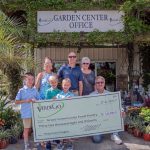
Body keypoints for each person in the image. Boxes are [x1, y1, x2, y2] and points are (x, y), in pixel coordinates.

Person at [90, 76, 123, 145]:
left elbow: (117, 106)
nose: (100, 84)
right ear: (95, 84)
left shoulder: (110, 94)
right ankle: (100, 132)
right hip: (97, 120)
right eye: (98, 82)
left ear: (104, 84)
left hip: (108, 118)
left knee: (119, 113)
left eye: (101, 82)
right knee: (97, 139)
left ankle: (114, 134)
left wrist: (122, 111)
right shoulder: (91, 95)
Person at [15, 72, 40, 150]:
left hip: (35, 114)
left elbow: (39, 100)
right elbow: (16, 102)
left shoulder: (35, 90)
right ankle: (26, 144)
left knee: (36, 128)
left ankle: (37, 143)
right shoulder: (21, 90)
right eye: (29, 79)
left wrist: (36, 100)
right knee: (26, 129)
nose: (30, 81)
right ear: (25, 80)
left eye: (32, 79)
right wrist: (26, 101)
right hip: (26, 113)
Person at [55, 78, 75, 150]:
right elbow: (56, 106)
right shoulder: (58, 95)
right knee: (61, 129)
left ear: (70, 85)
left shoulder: (72, 95)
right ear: (62, 85)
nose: (65, 86)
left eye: (67, 85)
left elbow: (75, 105)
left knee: (69, 130)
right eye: (64, 85)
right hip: (61, 116)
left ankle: (70, 144)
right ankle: (61, 143)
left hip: (69, 115)